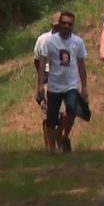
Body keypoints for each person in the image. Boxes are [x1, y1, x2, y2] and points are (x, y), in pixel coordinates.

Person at [36, 11, 88, 154]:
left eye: (69, 24)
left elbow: (82, 65)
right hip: (54, 85)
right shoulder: (50, 41)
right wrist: (40, 85)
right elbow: (42, 63)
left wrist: (84, 87)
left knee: (72, 110)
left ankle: (62, 135)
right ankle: (52, 148)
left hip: (71, 85)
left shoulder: (78, 42)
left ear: (73, 25)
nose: (66, 26)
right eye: (63, 23)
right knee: (52, 118)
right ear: (59, 24)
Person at [33, 12, 60, 151]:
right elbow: (37, 60)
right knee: (47, 113)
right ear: (51, 25)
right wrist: (41, 80)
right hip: (47, 76)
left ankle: (59, 139)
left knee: (63, 113)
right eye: (55, 26)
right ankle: (50, 147)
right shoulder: (43, 39)